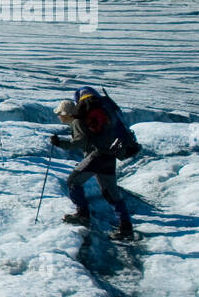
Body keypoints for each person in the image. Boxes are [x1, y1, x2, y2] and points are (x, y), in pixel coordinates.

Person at [50, 90, 136, 239]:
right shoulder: (92, 119)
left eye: (60, 114)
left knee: (73, 181)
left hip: (97, 156)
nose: (59, 117)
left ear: (65, 114)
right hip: (109, 156)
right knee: (111, 193)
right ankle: (126, 227)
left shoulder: (77, 122)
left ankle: (82, 214)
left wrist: (60, 143)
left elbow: (80, 141)